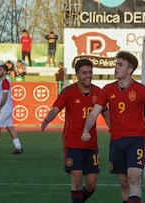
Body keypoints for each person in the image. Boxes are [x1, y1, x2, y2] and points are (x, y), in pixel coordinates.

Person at [81, 51, 145, 203]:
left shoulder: (141, 90)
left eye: (120, 65)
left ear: (129, 70)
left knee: (133, 178)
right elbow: (94, 113)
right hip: (116, 141)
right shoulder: (107, 89)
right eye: (116, 64)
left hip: (136, 140)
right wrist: (86, 130)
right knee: (124, 182)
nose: (116, 68)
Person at [41, 59, 109, 203]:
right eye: (84, 73)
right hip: (72, 142)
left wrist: (115, 130)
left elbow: (106, 113)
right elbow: (55, 109)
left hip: (91, 144)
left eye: (90, 72)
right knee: (77, 178)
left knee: (91, 184)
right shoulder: (69, 91)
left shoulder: (98, 92)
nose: (88, 76)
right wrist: (47, 119)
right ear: (77, 74)